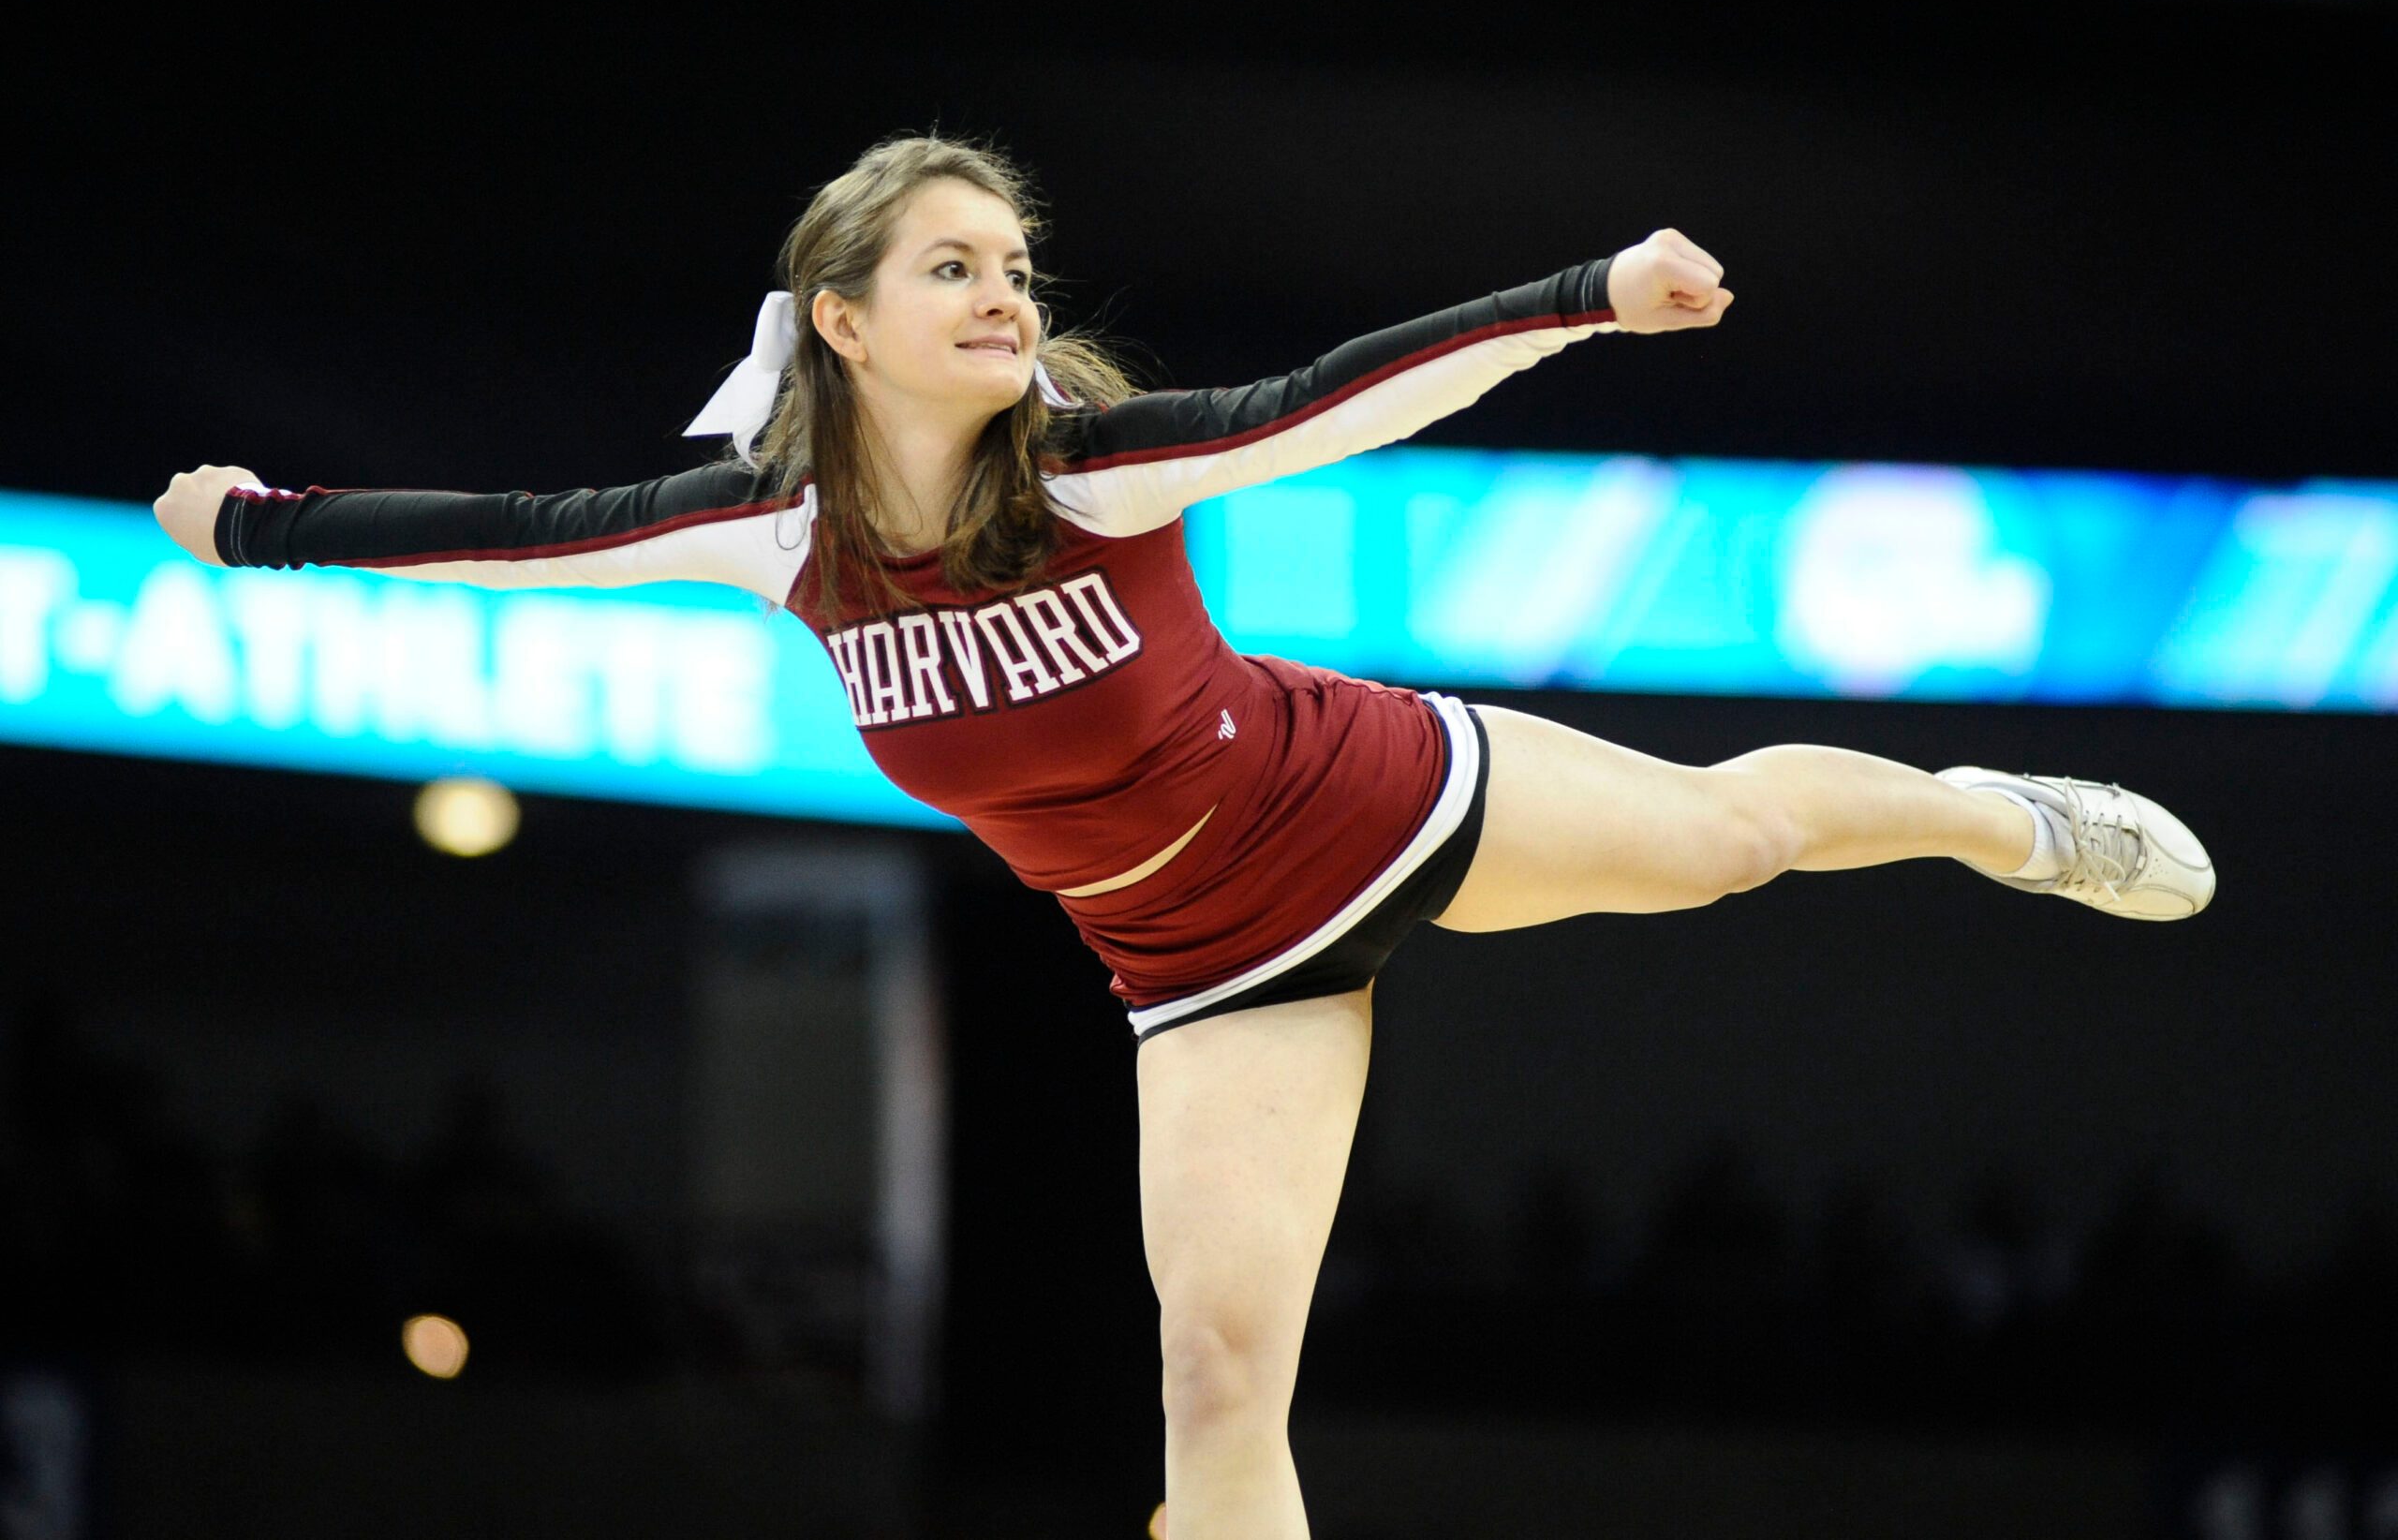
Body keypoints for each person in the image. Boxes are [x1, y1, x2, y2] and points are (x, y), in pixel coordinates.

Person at [152, 132, 2213, 1540]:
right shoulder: (775, 531)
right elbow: (517, 544)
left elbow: (1341, 395)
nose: (1001, 291)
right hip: (1197, 971)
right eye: (950, 266)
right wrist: (257, 531)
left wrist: (1592, 293)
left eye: (1012, 265)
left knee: (1735, 840)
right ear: (843, 323)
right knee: (1217, 1384)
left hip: (1373, 797)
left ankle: (1999, 816)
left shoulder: (1097, 471)